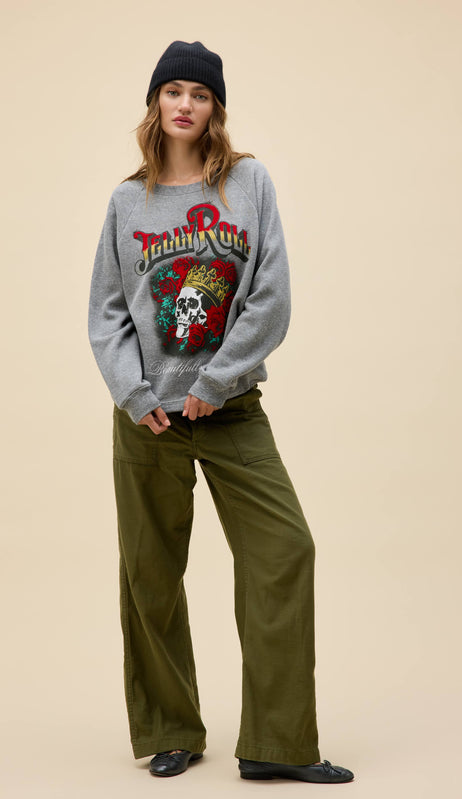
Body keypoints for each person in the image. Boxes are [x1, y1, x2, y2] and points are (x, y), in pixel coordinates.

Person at [88, 40, 354, 785]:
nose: (185, 104)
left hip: (231, 410)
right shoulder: (126, 201)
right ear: (155, 103)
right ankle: (170, 729)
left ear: (215, 109)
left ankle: (276, 743)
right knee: (149, 574)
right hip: (148, 419)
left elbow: (271, 295)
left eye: (199, 94)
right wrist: (135, 394)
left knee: (284, 550)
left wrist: (218, 378)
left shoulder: (248, 183)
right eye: (173, 91)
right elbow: (107, 312)